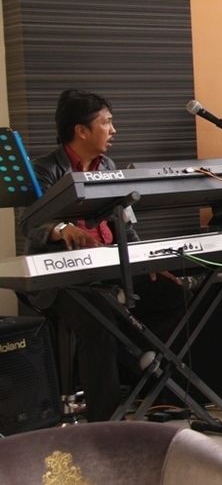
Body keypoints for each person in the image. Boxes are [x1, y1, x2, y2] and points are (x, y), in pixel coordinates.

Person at [20, 89, 186, 421]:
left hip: (109, 267)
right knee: (98, 317)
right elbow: (30, 224)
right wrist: (62, 228)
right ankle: (107, 420)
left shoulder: (107, 166)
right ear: (81, 130)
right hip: (63, 277)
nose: (113, 130)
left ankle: (155, 390)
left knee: (172, 293)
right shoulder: (44, 169)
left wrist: (145, 261)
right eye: (106, 122)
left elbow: (125, 222)